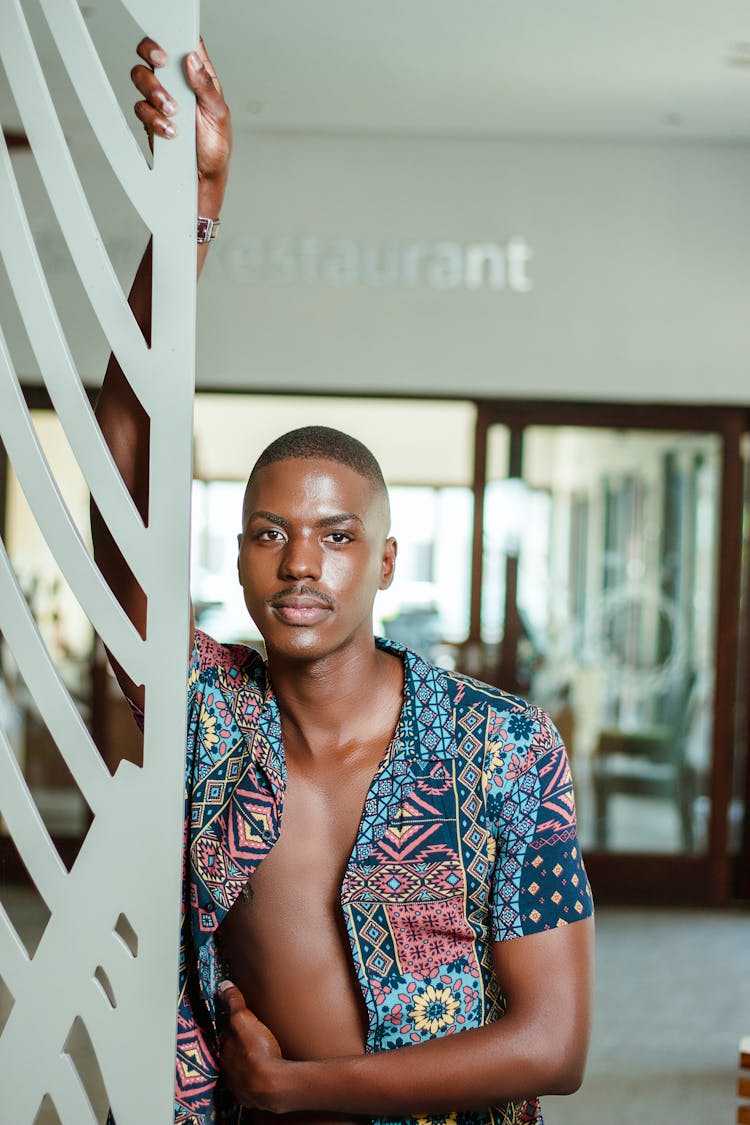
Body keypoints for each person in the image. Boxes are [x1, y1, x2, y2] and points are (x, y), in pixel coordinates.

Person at [93, 36, 594, 1125]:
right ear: (238, 558)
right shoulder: (207, 714)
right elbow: (121, 434)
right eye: (269, 533)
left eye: (334, 534)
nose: (301, 561)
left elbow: (554, 1045)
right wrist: (195, 208)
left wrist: (306, 1089)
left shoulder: (501, 746)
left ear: (386, 561)